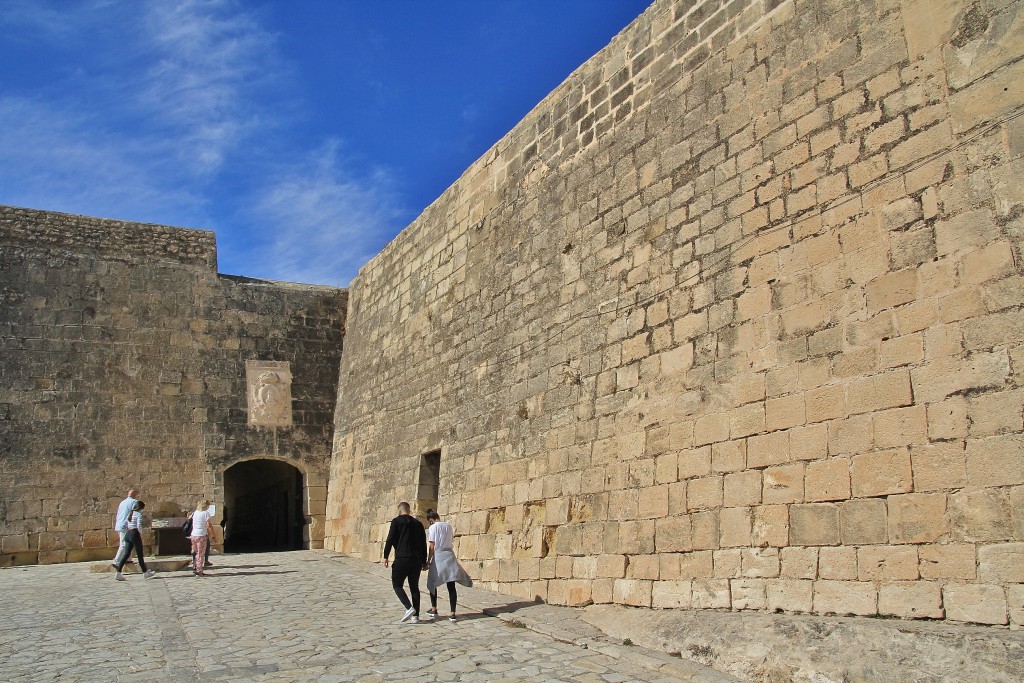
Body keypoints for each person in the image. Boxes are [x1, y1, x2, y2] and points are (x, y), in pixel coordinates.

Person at [382, 501, 427, 624]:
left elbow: (390, 538)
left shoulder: (396, 521)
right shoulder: (418, 524)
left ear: (400, 511)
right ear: (409, 510)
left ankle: (409, 607)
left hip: (402, 558)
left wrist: (385, 555)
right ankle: (416, 616)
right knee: (414, 587)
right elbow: (423, 543)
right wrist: (424, 561)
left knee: (397, 585)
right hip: (416, 559)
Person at [424, 509, 473, 622]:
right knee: (451, 585)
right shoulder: (448, 526)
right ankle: (453, 613)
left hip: (439, 555)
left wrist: (428, 560)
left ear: (430, 520)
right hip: (449, 555)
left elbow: (432, 545)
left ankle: (434, 608)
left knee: (432, 582)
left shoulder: (433, 527)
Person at [113, 501, 155, 581]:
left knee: (126, 554)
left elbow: (125, 524)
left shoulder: (130, 513)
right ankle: (145, 572)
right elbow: (139, 525)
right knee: (139, 554)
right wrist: (139, 533)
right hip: (134, 534)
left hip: (128, 534)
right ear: (141, 508)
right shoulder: (138, 514)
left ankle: (118, 573)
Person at [111, 488, 139, 567]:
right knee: (123, 544)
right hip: (126, 525)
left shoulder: (122, 502)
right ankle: (116, 561)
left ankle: (128, 559)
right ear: (135, 495)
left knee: (129, 542)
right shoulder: (134, 502)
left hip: (120, 524)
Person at [189, 500, 217, 576]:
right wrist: (213, 535)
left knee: (195, 551)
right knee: (200, 553)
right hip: (201, 535)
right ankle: (199, 570)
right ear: (206, 506)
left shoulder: (195, 513)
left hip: (193, 535)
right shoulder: (206, 513)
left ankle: (195, 567)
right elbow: (209, 526)